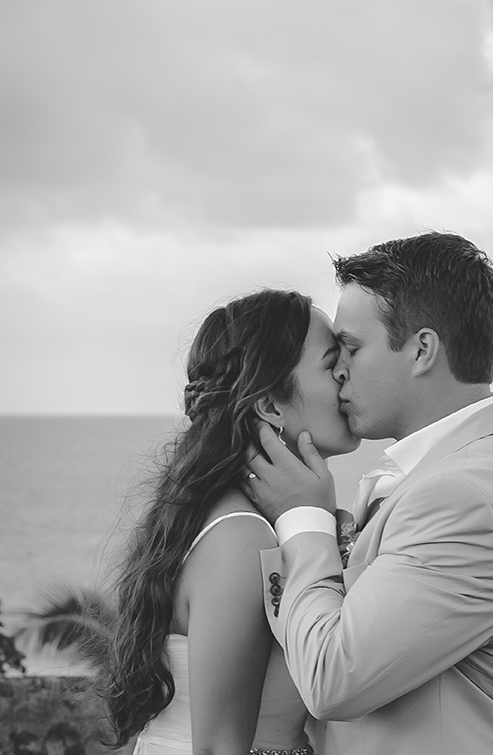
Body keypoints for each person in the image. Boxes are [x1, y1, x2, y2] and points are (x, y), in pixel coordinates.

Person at [244, 232, 493, 755]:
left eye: (351, 348)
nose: (340, 369)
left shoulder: (463, 497)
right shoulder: (457, 472)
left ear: (421, 350)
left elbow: (331, 678)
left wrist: (304, 520)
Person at [103, 289, 360, 755]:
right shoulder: (240, 537)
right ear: (271, 405)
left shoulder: (240, 519)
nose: (347, 372)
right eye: (331, 362)